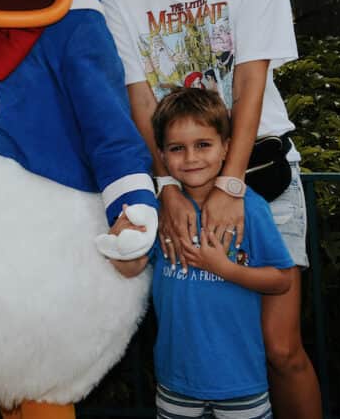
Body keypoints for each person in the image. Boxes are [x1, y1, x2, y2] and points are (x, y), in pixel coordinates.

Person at [99, 0, 322, 418]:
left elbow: (250, 83)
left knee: (281, 349)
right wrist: (168, 189)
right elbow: (140, 101)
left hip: (262, 177)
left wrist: (229, 185)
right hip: (179, 183)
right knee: (200, 343)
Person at [112, 88, 293, 418]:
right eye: (177, 148)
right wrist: (123, 244)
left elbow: (281, 280)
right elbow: (131, 268)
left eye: (203, 145)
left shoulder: (249, 209)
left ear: (226, 148)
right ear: (163, 156)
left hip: (241, 382)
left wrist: (224, 268)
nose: (191, 158)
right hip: (175, 381)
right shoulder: (159, 213)